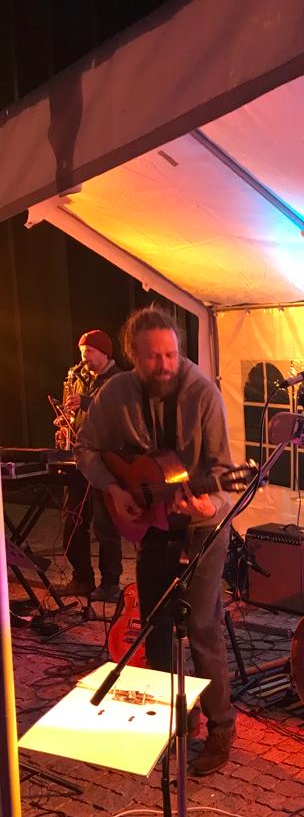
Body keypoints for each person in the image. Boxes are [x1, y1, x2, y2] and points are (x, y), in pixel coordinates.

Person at [76, 306, 237, 776]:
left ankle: (221, 727)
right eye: (153, 357)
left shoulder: (203, 393)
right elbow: (86, 448)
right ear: (133, 356)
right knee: (156, 625)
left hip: (204, 525)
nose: (165, 365)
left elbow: (224, 474)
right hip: (153, 526)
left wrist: (209, 505)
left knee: (202, 625)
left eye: (171, 355)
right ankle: (175, 720)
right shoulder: (115, 392)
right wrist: (114, 488)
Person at [58, 329, 124, 601]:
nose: (84, 358)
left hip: (105, 461)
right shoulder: (81, 378)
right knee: (72, 521)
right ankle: (82, 578)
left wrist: (84, 402)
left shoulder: (119, 380)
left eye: (89, 353)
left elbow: (115, 411)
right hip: (79, 458)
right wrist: (66, 422)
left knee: (105, 526)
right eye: (82, 353)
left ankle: (110, 584)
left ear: (104, 353)